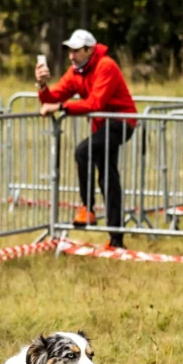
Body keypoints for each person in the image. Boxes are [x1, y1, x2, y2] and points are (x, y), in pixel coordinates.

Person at [35, 29, 137, 249]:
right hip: (103, 126)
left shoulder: (106, 66)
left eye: (76, 51)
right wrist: (42, 85)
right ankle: (116, 239)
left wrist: (60, 107)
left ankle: (87, 209)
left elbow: (95, 104)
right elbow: (53, 98)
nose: (71, 55)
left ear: (90, 50)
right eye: (69, 51)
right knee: (108, 177)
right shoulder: (76, 72)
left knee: (83, 151)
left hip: (121, 123)